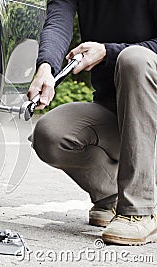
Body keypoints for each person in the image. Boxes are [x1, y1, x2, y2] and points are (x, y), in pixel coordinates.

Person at [28, 0, 157, 245]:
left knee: (135, 59)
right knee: (50, 134)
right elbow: (57, 24)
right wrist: (46, 68)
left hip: (152, 108)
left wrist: (110, 51)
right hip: (115, 109)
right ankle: (111, 195)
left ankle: (140, 210)